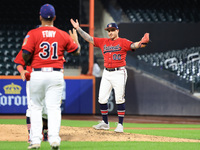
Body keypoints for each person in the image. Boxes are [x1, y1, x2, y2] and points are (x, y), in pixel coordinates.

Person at [70, 19, 149, 133]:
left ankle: (120, 125)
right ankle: (105, 123)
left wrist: (141, 43)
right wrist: (78, 29)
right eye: (108, 31)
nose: (110, 32)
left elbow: (134, 45)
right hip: (106, 72)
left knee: (119, 98)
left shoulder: (123, 41)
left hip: (119, 72)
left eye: (112, 30)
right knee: (102, 98)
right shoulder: (103, 42)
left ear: (117, 30)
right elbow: (89, 38)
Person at [21, 4, 80, 149]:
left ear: (40, 17)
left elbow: (25, 54)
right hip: (55, 74)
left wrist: (30, 61)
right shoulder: (62, 34)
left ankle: (35, 141)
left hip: (38, 73)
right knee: (53, 108)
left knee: (35, 108)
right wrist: (76, 40)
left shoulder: (33, 33)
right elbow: (76, 52)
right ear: (54, 18)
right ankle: (54, 140)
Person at [14, 50, 49, 143]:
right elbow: (19, 62)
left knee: (47, 109)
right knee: (31, 108)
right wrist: (21, 71)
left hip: (48, 79)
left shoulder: (51, 41)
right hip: (32, 78)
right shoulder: (30, 43)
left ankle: (45, 133)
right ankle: (31, 134)